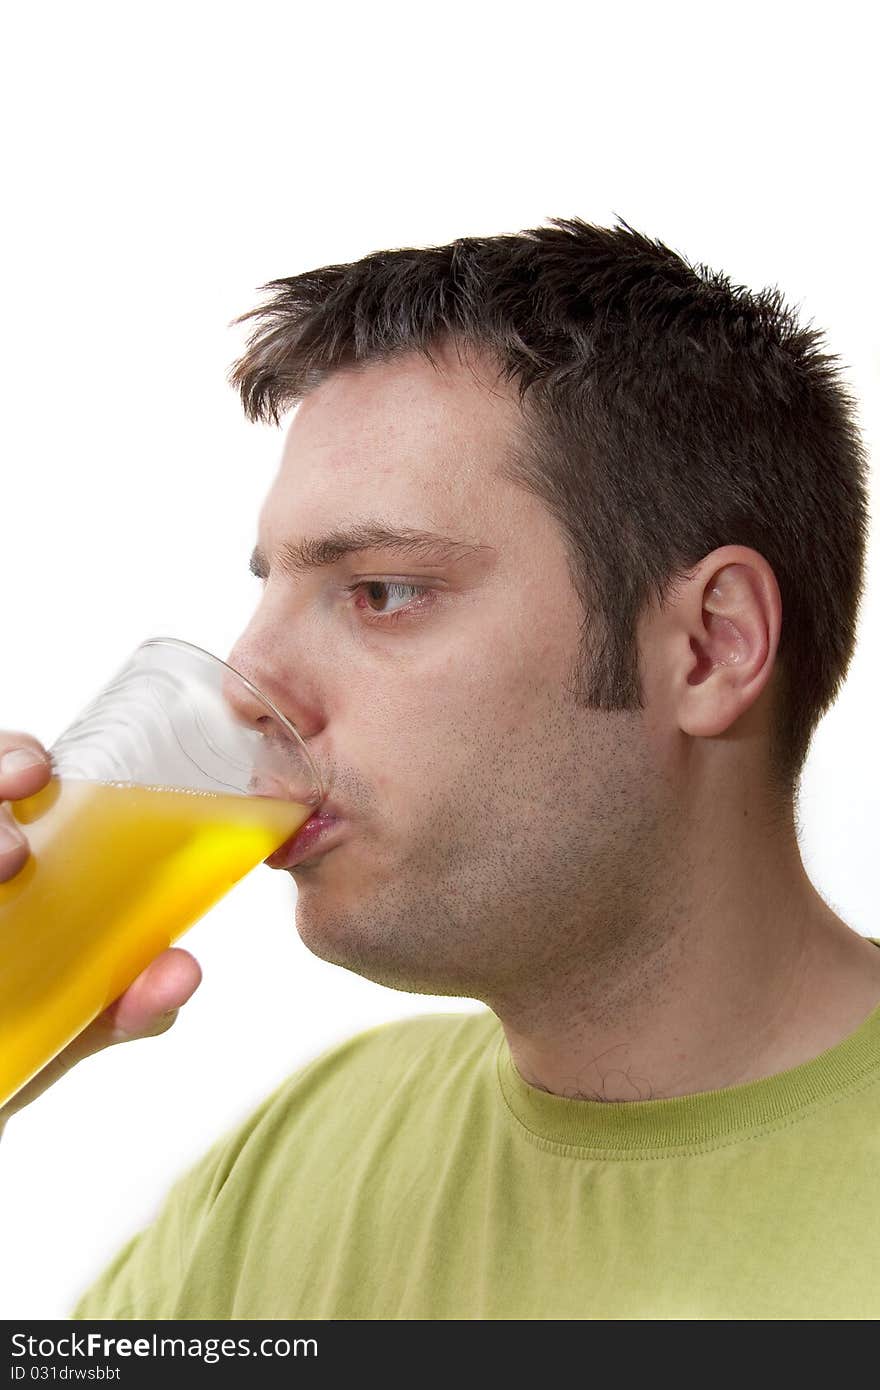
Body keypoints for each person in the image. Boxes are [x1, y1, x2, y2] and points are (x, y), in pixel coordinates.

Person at [2, 215, 879, 1320]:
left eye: (382, 591)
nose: (246, 677)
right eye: (269, 585)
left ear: (709, 646)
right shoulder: (308, 1153)